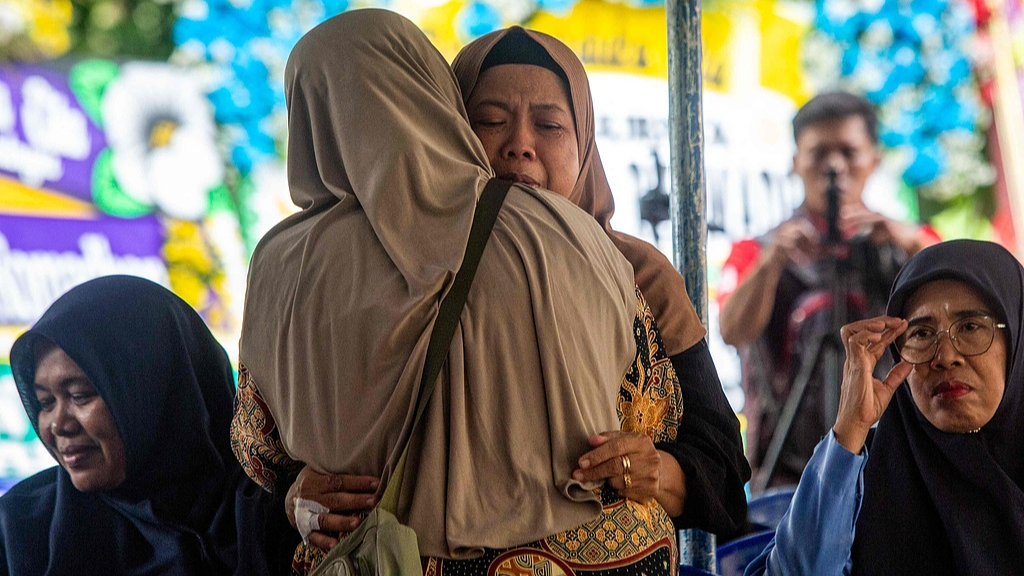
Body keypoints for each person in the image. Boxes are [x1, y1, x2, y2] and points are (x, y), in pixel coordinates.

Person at [233, 9, 680, 575]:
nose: (520, 147)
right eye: (490, 120)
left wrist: (303, 489)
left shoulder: (278, 263)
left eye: (549, 126)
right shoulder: (564, 235)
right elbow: (650, 415)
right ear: (440, 107)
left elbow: (259, 450)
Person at [744, 239, 1024, 575]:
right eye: (921, 333)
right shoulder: (866, 475)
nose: (946, 357)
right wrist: (848, 430)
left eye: (970, 327)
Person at [718, 91, 941, 487]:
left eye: (848, 152)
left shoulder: (907, 243)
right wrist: (772, 263)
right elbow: (732, 331)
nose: (833, 166)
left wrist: (906, 244)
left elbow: (956, 299)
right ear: (795, 162)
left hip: (893, 467)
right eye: (818, 153)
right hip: (788, 475)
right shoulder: (757, 250)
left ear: (874, 160)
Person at [0, 275, 293, 576]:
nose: (58, 425)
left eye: (80, 395)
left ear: (160, 391)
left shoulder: (277, 510)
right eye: (45, 403)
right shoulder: (21, 533)